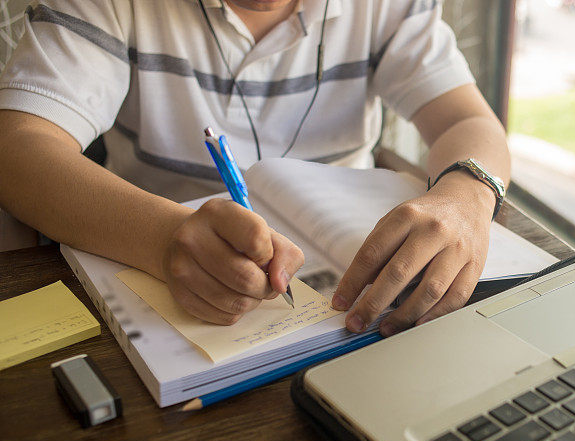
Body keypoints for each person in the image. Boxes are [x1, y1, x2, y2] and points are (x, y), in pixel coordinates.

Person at [0, 0, 510, 338]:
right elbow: (17, 147)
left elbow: (465, 118)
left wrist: (468, 194)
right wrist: (162, 236)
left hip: (352, 296)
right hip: (156, 280)